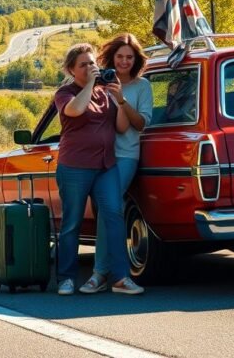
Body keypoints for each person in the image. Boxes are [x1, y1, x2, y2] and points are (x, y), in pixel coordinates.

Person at [53, 43, 144, 295]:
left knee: (114, 217)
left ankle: (120, 278)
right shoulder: (65, 93)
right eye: (83, 64)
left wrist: (120, 99)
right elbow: (75, 110)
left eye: (93, 63)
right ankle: (66, 278)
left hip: (106, 166)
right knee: (72, 223)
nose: (91, 68)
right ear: (72, 69)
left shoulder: (105, 93)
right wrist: (92, 85)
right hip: (75, 167)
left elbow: (122, 128)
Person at [79, 34, 153, 294]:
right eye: (120, 56)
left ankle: (100, 274)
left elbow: (141, 124)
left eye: (129, 57)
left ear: (136, 60)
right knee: (107, 210)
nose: (124, 61)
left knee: (110, 207)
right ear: (112, 58)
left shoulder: (142, 86)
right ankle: (112, 276)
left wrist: (121, 99)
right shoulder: (99, 84)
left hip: (125, 156)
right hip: (97, 157)